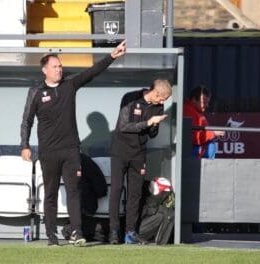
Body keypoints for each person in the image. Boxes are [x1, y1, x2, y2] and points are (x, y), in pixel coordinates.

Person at [20, 40, 126, 246]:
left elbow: (93, 71)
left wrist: (112, 56)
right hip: (48, 152)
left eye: (60, 66)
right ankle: (51, 236)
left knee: (74, 191)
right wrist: (24, 145)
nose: (59, 69)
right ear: (45, 70)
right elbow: (27, 120)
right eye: (55, 67)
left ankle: (77, 232)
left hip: (70, 151)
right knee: (49, 193)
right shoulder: (35, 92)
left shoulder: (70, 84)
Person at [108, 79, 172, 245]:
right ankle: (114, 231)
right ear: (156, 93)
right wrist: (148, 122)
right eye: (163, 98)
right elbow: (123, 126)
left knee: (135, 194)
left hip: (139, 154)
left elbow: (152, 134)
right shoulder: (130, 98)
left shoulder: (158, 106)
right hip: (120, 151)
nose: (163, 102)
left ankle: (130, 232)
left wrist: (154, 125)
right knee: (116, 190)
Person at [183, 85, 224, 159]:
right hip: (194, 153)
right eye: (204, 102)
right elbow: (194, 136)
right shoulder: (188, 111)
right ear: (194, 100)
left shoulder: (195, 111)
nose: (207, 105)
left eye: (207, 102)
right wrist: (213, 133)